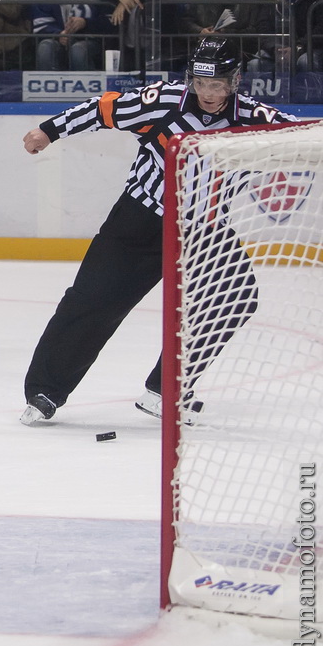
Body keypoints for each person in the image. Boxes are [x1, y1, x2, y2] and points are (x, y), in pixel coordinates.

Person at [18, 37, 298, 427]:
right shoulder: (162, 100)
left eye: (217, 85)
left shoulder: (255, 118)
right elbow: (103, 109)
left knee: (234, 297)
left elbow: (302, 136)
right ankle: (46, 390)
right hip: (141, 222)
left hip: (206, 229)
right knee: (93, 301)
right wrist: (49, 130)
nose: (208, 93)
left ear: (234, 81)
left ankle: (167, 387)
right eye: (201, 84)